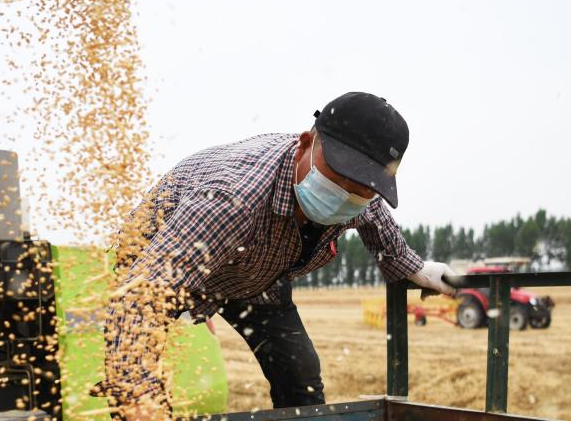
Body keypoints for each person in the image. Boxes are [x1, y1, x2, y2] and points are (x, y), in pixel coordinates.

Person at [96, 92, 458, 419]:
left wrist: (414, 268)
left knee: (299, 373)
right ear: (306, 143)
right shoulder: (230, 199)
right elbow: (135, 302)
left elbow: (375, 218)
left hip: (256, 274)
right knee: (138, 385)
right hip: (164, 261)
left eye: (361, 189)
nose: (347, 196)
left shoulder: (363, 196)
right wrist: (137, 399)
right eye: (340, 178)